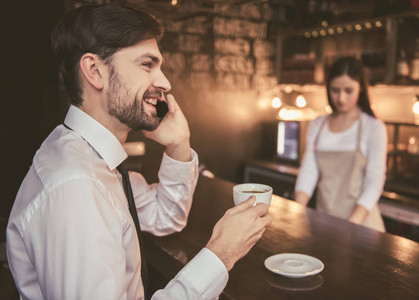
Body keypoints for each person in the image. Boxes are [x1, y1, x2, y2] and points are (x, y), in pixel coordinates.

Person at [6, 4, 272, 300]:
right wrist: (220, 255)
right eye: (147, 65)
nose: (165, 83)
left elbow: (165, 216)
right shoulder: (78, 188)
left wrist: (178, 144)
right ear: (95, 71)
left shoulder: (92, 159)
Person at [294, 56, 387, 232]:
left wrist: (351, 224)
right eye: (335, 90)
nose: (341, 98)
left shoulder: (373, 128)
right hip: (325, 221)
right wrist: (297, 211)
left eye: (348, 90)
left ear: (360, 89)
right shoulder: (317, 125)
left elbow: (374, 182)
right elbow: (309, 170)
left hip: (361, 225)